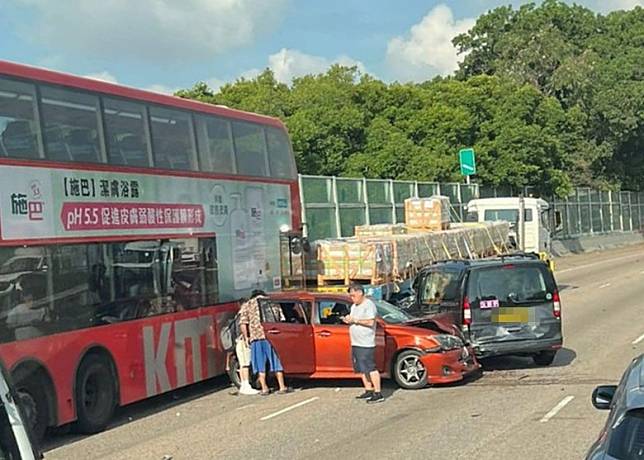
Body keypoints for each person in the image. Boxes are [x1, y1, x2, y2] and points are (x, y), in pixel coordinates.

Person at [239, 290, 292, 396]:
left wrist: (246, 337)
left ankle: (264, 388)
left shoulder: (248, 305)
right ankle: (282, 386)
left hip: (256, 338)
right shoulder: (271, 302)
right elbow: (281, 319)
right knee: (276, 361)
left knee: (260, 364)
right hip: (271, 337)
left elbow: (243, 323)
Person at [342, 283, 384, 404]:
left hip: (366, 342)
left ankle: (378, 392)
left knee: (370, 367)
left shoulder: (368, 305)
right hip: (356, 341)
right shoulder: (354, 306)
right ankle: (368, 389)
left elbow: (371, 322)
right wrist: (348, 319)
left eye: (353, 295)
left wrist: (355, 320)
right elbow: (353, 318)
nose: (352, 298)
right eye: (350, 296)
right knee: (361, 367)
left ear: (360, 292)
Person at [223, 298, 259, 396]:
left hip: (238, 341)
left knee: (243, 363)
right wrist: (246, 337)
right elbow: (242, 327)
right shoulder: (242, 315)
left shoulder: (238, 314)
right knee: (245, 364)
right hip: (242, 341)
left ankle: (244, 385)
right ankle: (245, 385)